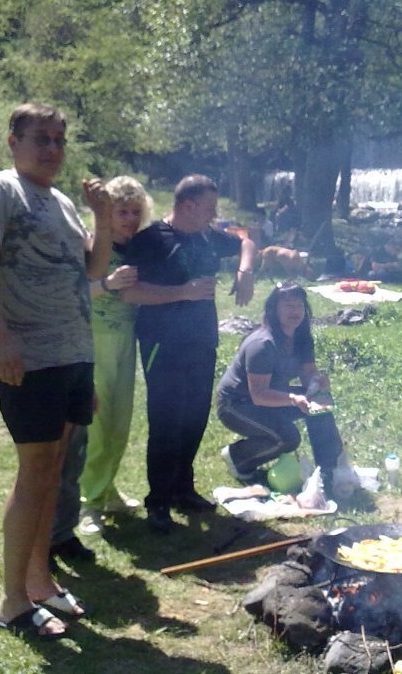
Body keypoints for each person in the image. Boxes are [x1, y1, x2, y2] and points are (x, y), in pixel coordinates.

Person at [0, 102, 112, 640]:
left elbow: (93, 268)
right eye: (40, 138)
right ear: (13, 141)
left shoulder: (62, 201)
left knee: (53, 470)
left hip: (72, 353)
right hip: (29, 353)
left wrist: (102, 217)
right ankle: (11, 602)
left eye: (58, 141)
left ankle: (39, 580)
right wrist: (0, 337)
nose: (51, 149)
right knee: (35, 472)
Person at [121, 174, 256, 534]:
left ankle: (183, 489)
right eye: (210, 208)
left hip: (202, 341)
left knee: (194, 418)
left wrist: (245, 271)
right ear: (187, 205)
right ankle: (158, 500)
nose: (215, 215)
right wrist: (182, 291)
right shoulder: (151, 240)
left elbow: (246, 241)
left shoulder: (208, 236)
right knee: (165, 422)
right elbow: (129, 293)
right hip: (162, 344)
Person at [75, 176, 153, 536]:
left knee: (121, 422)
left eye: (136, 211)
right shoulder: (95, 244)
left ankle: (107, 490)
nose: (129, 219)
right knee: (98, 424)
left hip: (127, 339)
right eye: (122, 211)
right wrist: (108, 283)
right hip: (96, 339)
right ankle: (87, 504)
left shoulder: (139, 247)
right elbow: (75, 295)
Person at [216, 282, 343, 489]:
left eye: (299, 306)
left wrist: (317, 382)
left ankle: (330, 469)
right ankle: (238, 457)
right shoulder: (263, 344)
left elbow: (308, 373)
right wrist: (293, 399)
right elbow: (258, 395)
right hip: (236, 404)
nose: (295, 311)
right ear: (274, 310)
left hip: (268, 397)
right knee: (288, 438)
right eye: (288, 306)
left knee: (320, 404)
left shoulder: (301, 337)